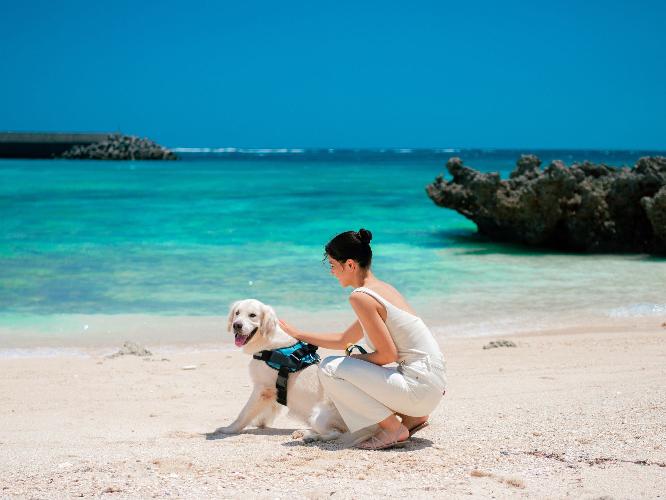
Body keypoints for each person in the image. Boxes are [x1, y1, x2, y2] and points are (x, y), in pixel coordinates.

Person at [279, 228, 447, 450]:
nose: (331, 272)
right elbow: (344, 339)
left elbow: (388, 355)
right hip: (432, 385)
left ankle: (392, 428)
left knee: (329, 368)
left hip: (419, 388)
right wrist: (298, 334)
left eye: (332, 265)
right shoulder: (382, 289)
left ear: (349, 264)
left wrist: (353, 363)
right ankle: (412, 417)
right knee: (341, 365)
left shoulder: (361, 297)